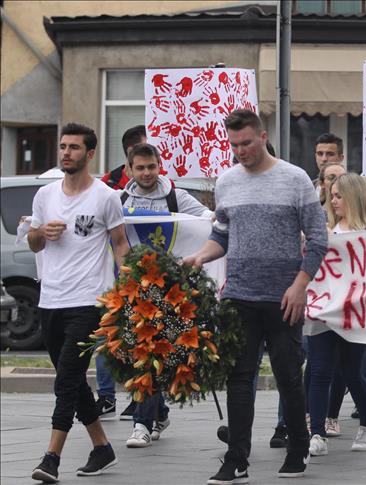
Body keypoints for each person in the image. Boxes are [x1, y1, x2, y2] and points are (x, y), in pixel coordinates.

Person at [184, 109, 328, 483]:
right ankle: (237, 457)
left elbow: (318, 238)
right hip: (239, 295)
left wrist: (300, 285)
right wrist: (200, 256)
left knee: (287, 376)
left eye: (246, 143)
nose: (240, 151)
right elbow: (222, 235)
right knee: (238, 376)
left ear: (263, 137)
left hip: (283, 297)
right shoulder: (227, 181)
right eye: (233, 145)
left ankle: (298, 448)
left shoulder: (295, 179)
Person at [29, 123, 130, 482]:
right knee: (68, 378)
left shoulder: (105, 196)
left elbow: (120, 244)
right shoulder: (45, 196)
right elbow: (33, 242)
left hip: (90, 300)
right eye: (62, 146)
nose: (66, 152)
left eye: (73, 147)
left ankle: (51, 457)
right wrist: (41, 233)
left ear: (89, 154)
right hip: (51, 298)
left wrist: (132, 283)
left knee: (66, 378)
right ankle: (102, 448)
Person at [117, 143, 212, 448]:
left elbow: (203, 220)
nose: (146, 173)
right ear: (129, 169)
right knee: (141, 353)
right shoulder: (118, 200)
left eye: (151, 167)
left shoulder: (176, 196)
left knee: (154, 352)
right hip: (134, 287)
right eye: (140, 168)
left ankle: (146, 420)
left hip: (169, 289)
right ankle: (151, 417)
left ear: (160, 166)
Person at [307, 173, 366, 457]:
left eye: (338, 196)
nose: (333, 201)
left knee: (351, 372)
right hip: (324, 313)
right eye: (331, 195)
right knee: (319, 371)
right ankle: (317, 433)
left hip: (355, 315)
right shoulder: (326, 234)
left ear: (354, 198)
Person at [95, 124, 148, 422]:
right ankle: (106, 395)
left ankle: (139, 397)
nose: (147, 167)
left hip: (147, 273)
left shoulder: (163, 187)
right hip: (111, 271)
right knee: (109, 334)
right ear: (129, 156)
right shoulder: (109, 184)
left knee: (142, 337)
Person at [100, 124, 146, 190]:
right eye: (147, 149)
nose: (153, 153)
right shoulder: (107, 183)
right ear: (130, 151)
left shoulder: (162, 182)